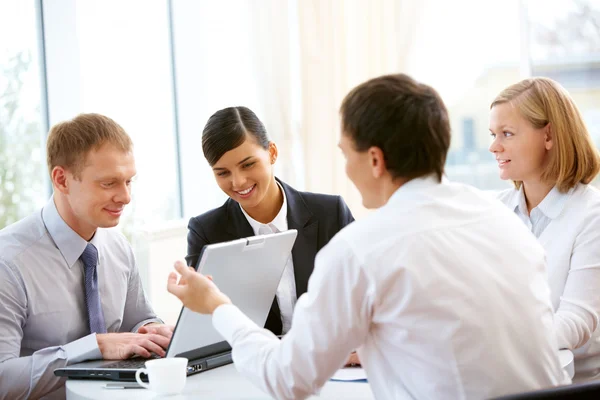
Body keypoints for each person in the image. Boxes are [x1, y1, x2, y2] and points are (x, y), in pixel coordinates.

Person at [167, 74, 569, 399]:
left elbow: (287, 380)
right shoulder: (503, 220)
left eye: (345, 153)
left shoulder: (364, 248)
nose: (345, 168)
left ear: (374, 159)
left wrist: (217, 306)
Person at [0, 113, 173, 399]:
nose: (126, 197)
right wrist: (95, 347)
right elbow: (3, 379)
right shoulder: (9, 263)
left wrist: (153, 331)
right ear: (61, 179)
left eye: (129, 181)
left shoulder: (118, 247)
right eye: (109, 183)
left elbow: (138, 320)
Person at [185, 106, 354, 336]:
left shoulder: (331, 213)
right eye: (223, 173)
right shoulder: (206, 232)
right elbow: (204, 327)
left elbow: (365, 296)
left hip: (332, 359)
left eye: (248, 164)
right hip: (253, 364)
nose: (238, 182)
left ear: (272, 152)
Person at [489, 77, 600, 382]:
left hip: (572, 387)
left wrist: (491, 346)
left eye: (506, 134)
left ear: (548, 135)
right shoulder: (494, 212)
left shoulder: (592, 215)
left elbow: (576, 322)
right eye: (493, 134)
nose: (493, 146)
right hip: (508, 376)